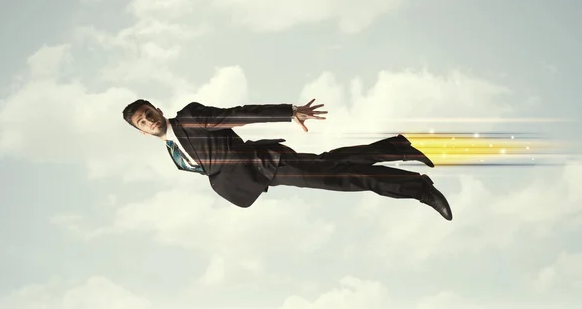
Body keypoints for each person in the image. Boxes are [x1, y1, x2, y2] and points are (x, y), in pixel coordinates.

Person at [122, 98, 453, 221]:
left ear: (158, 109)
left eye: (149, 113)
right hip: (260, 179)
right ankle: (399, 149)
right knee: (334, 166)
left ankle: (416, 187)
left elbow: (237, 116)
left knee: (339, 177)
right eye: (142, 121)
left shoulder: (190, 118)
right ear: (141, 132)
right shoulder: (174, 156)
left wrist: (287, 112)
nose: (149, 120)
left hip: (266, 162)